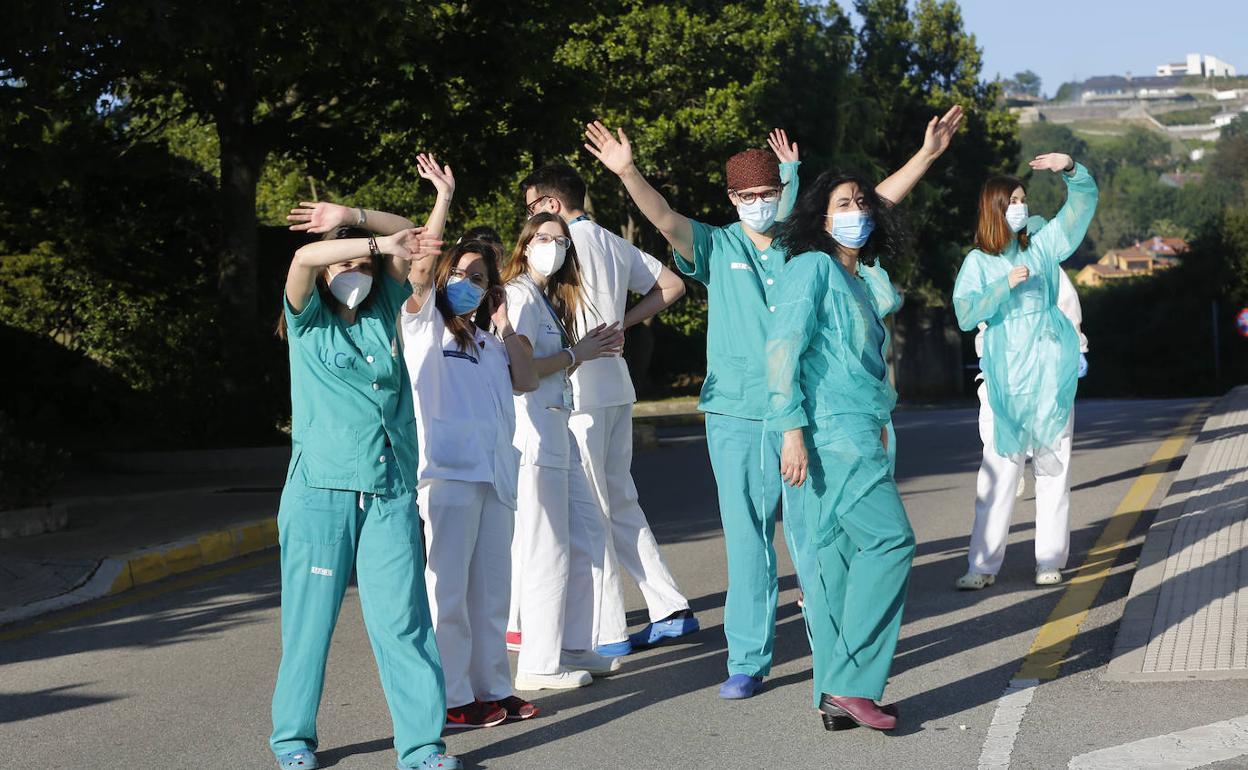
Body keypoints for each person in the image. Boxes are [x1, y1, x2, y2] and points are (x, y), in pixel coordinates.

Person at [583, 107, 962, 699]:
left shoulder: (802, 242)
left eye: (768, 191)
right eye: (748, 194)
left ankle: (830, 652)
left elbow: (867, 203)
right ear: (733, 198)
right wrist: (628, 173)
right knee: (747, 536)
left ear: (780, 194)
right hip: (734, 413)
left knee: (816, 538)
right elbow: (663, 219)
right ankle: (748, 658)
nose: (758, 201)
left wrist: (926, 156)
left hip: (804, 417)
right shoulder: (714, 245)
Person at [272, 198, 459, 770]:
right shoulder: (307, 318)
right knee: (310, 624)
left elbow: (411, 236)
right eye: (343, 264)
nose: (351, 273)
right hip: (320, 494)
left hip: (389, 487)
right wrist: (366, 245)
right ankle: (294, 739)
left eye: (360, 267)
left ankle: (423, 746)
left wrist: (353, 214)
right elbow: (305, 257)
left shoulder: (385, 307)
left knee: (404, 620)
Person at [520, 162, 696, 657]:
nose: (530, 221)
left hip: (578, 390)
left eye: (534, 207)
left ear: (552, 205)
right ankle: (668, 607)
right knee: (619, 500)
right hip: (616, 386)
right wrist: (625, 323)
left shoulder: (561, 246)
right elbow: (673, 284)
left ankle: (608, 628)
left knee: (590, 507)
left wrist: (614, 327)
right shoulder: (613, 241)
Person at [766, 170, 917, 732]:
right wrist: (790, 430)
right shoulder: (811, 267)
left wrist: (879, 419)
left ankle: (833, 692)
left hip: (860, 428)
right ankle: (855, 685)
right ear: (819, 218)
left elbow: (866, 363)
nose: (856, 211)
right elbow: (782, 349)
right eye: (842, 204)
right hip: (828, 434)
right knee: (892, 541)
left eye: (862, 203)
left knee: (837, 561)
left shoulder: (856, 278)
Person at [398, 155, 542, 729]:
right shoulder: (422, 326)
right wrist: (444, 198)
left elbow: (527, 379)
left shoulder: (487, 343)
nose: (467, 285)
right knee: (449, 594)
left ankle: (494, 687)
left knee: (491, 595)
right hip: (448, 476)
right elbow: (419, 265)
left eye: (480, 279)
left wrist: (505, 326)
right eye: (459, 275)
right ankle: (454, 695)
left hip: (495, 479)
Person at [952, 153, 1099, 590]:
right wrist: (1004, 286)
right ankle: (981, 566)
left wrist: (1072, 169)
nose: (1020, 206)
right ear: (993, 208)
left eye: (1023, 198)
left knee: (1054, 471)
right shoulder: (978, 262)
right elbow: (964, 313)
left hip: (1049, 378)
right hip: (1005, 381)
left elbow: (1078, 210)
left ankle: (1049, 560)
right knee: (998, 472)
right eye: (1011, 200)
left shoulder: (1043, 247)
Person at [502, 212, 627, 690]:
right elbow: (523, 370)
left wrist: (584, 348)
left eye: (560, 240)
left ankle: (572, 644)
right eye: (543, 238)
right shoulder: (518, 295)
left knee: (588, 535)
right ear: (526, 242)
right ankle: (537, 662)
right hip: (533, 435)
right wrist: (580, 354)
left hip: (559, 430)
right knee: (545, 548)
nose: (552, 246)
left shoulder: (545, 298)